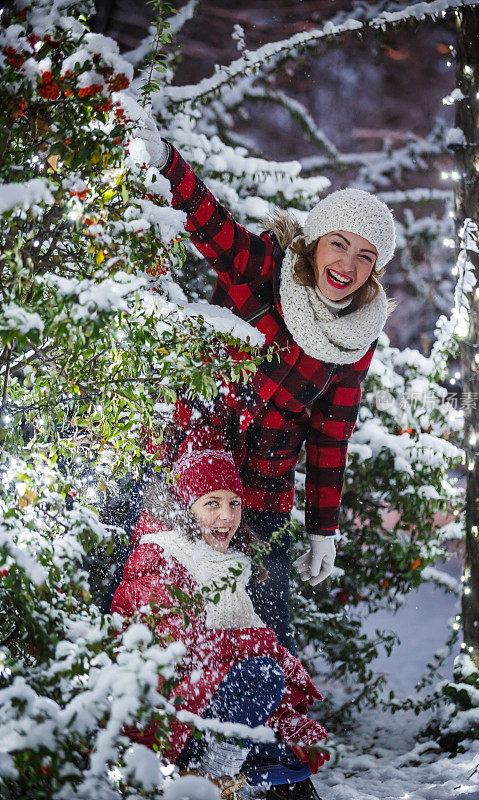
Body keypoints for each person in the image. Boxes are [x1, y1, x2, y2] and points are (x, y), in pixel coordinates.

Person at [136, 113, 396, 653]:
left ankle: (266, 735)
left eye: (365, 256)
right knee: (167, 622)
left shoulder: (357, 337)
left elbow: (331, 435)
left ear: (375, 269)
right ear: (316, 241)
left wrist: (323, 529)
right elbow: (211, 226)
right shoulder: (266, 269)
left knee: (264, 636)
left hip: (262, 497)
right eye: (339, 244)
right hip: (190, 469)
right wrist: (165, 162)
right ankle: (166, 725)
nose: (347, 264)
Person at [111, 448, 329, 800]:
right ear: (185, 508)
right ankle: (211, 779)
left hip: (210, 709)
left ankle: (219, 766)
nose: (227, 516)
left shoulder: (229, 565)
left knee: (295, 755)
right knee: (263, 675)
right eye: (211, 503)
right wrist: (257, 647)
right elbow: (182, 652)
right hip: (170, 715)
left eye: (234, 503)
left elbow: (233, 655)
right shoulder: (159, 557)